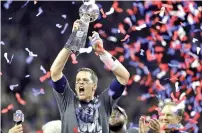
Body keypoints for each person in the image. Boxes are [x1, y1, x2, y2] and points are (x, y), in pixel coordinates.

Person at [50, 20, 130, 133]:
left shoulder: (104, 103)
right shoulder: (67, 101)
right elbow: (55, 72)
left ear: (94, 86)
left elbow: (124, 77)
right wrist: (71, 43)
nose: (80, 83)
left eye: (85, 80)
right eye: (78, 81)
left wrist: (103, 53)